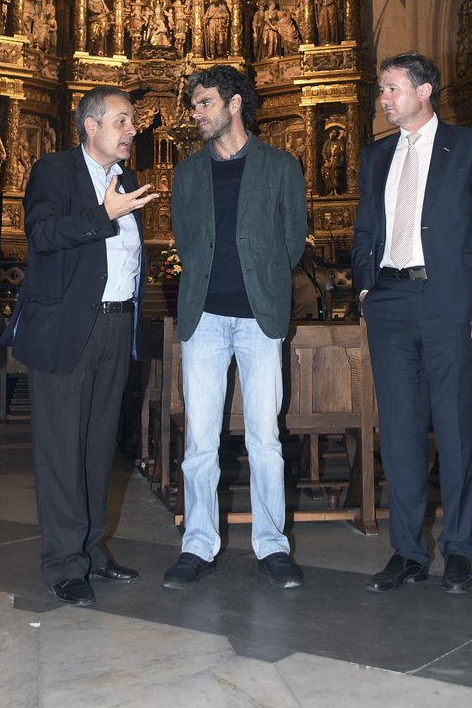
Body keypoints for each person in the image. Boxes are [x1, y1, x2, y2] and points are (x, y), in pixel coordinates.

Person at [352, 52, 472, 596]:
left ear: (424, 91)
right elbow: (364, 228)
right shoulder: (374, 156)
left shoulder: (469, 146)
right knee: (398, 433)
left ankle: (460, 551)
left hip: (450, 302)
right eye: (381, 89)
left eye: (392, 88)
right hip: (390, 301)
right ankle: (408, 552)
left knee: (456, 428)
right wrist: (367, 288)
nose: (383, 98)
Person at [1, 86, 158, 605]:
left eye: (132, 121)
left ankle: (90, 551)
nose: (132, 129)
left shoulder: (126, 179)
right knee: (61, 447)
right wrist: (105, 213)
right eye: (122, 120)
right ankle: (64, 562)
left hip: (116, 325)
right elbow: (42, 234)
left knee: (96, 446)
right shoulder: (55, 171)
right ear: (91, 126)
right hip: (69, 326)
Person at [163, 65, 307, 590]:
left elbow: (293, 240)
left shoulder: (281, 166)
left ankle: (273, 545)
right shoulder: (187, 173)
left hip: (259, 318)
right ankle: (197, 545)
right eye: (195, 105)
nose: (196, 114)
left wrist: (263, 281)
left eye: (204, 104)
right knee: (200, 440)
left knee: (265, 439)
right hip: (203, 318)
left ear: (234, 104)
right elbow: (184, 237)